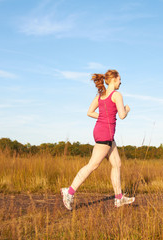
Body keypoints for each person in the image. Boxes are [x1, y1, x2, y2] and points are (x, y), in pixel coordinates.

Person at [61, 69, 135, 210]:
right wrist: (127, 109)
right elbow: (122, 115)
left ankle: (119, 198)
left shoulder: (101, 95)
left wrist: (103, 117)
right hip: (105, 134)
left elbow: (90, 112)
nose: (121, 82)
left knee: (117, 163)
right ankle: (69, 192)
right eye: (119, 79)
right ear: (113, 80)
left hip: (102, 132)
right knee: (93, 165)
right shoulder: (116, 95)